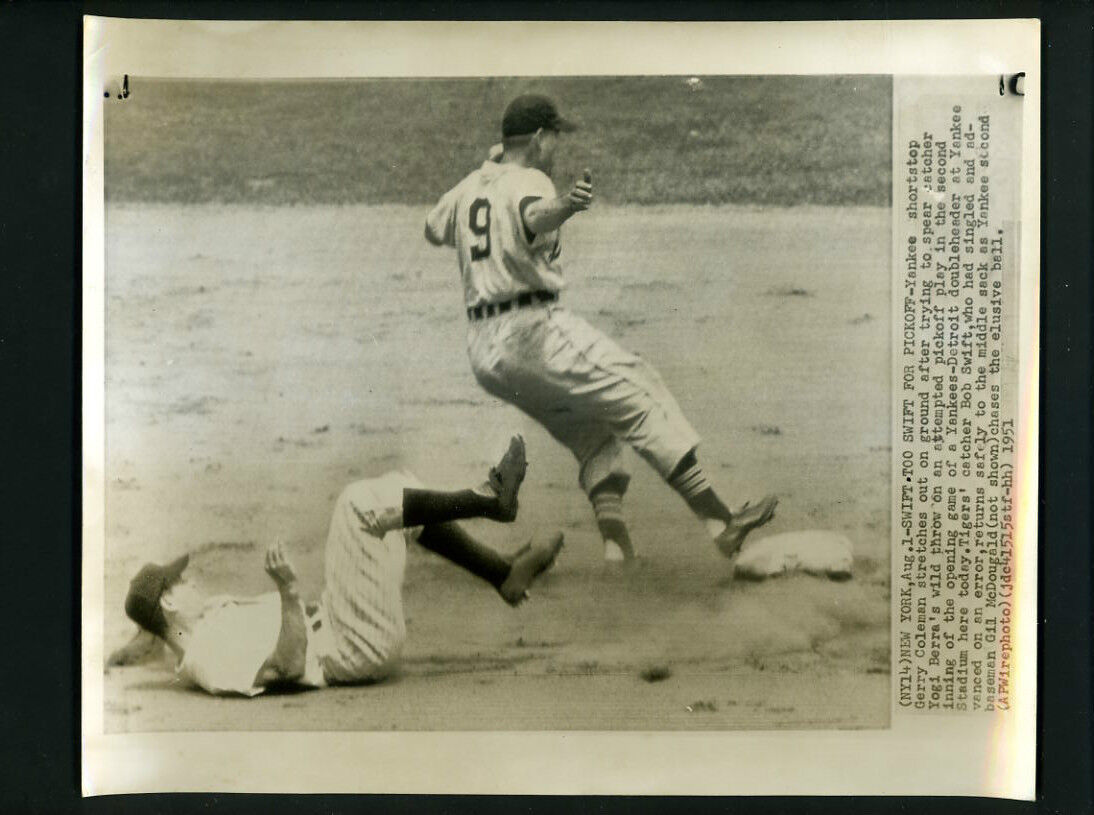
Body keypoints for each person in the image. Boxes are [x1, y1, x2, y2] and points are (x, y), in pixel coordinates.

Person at [424, 93, 778, 563]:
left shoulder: (472, 185)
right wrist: (566, 205)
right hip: (531, 333)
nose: (557, 147)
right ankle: (721, 520)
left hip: (486, 357)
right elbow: (534, 215)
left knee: (589, 430)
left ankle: (617, 546)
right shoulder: (530, 179)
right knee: (638, 389)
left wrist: (489, 173)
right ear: (537, 139)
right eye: (554, 137)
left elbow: (434, 227)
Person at [110, 436, 565, 696]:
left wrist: (141, 635)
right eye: (180, 580)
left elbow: (155, 629)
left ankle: (504, 574)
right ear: (169, 599)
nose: (192, 580)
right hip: (351, 649)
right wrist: (287, 590)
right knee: (357, 507)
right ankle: (486, 499)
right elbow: (283, 668)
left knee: (396, 492)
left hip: (341, 624)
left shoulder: (202, 623)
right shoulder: (205, 657)